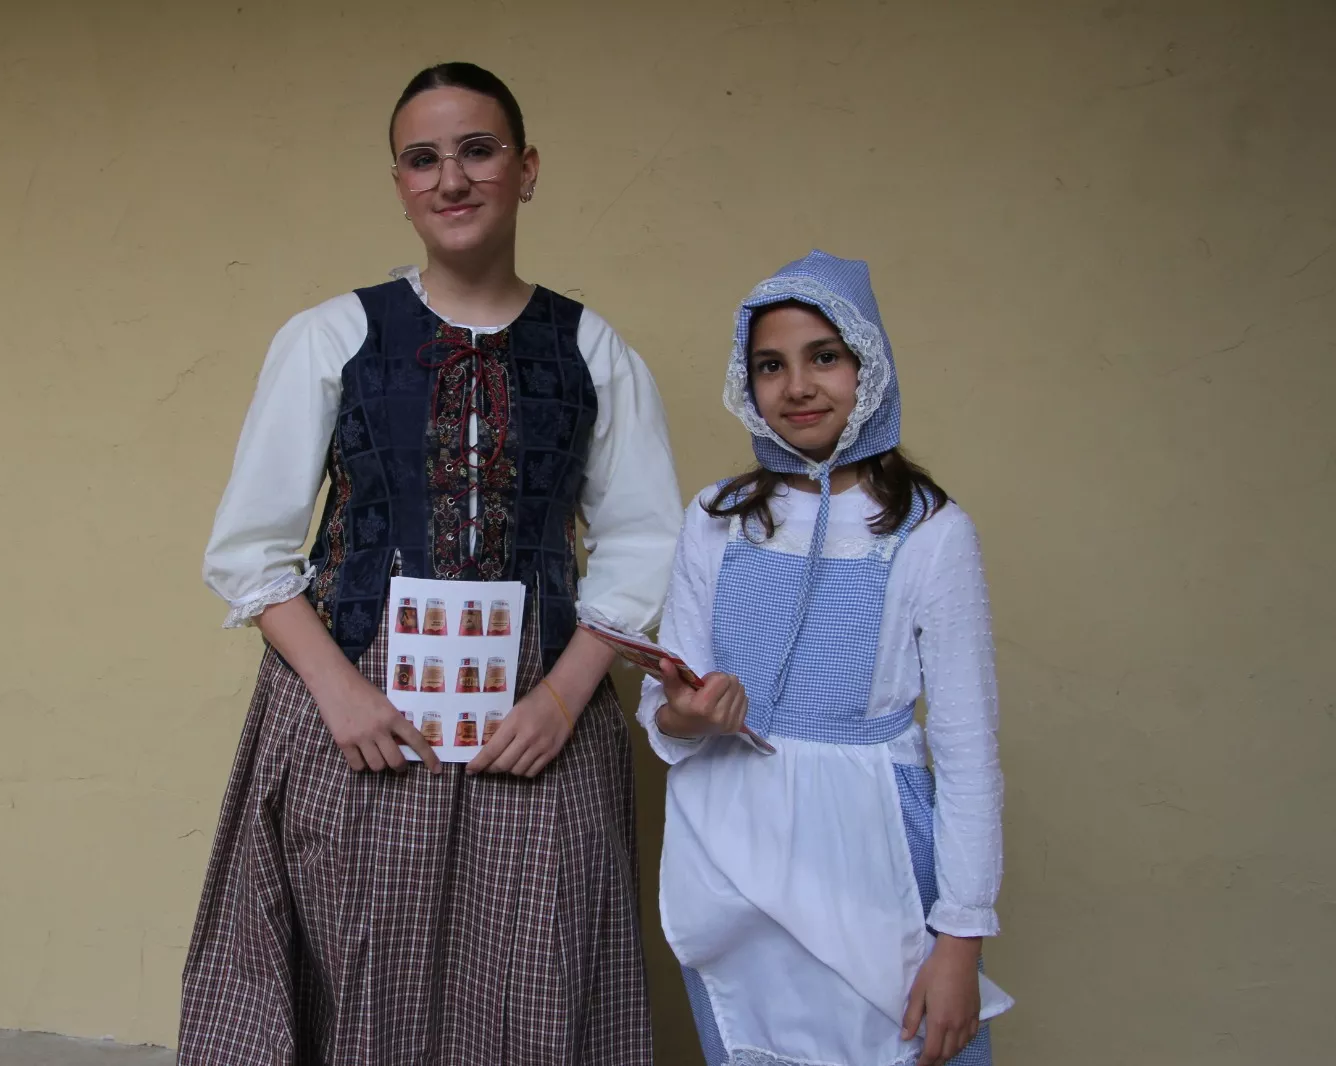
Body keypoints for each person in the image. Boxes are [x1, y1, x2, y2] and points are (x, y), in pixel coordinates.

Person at [179, 62, 682, 1066]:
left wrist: (564, 697)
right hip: (357, 707)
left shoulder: (593, 349)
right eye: (423, 159)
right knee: (358, 955)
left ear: (526, 169)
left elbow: (644, 540)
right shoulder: (332, 335)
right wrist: (341, 696)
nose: (451, 179)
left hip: (541, 709)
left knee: (537, 957)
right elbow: (251, 548)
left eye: (478, 150)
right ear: (401, 183)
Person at [638, 252, 1013, 1066]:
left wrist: (961, 938)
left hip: (870, 851)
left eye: (825, 357)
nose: (798, 386)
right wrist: (686, 715)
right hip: (730, 852)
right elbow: (664, 705)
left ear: (869, 367)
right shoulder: (716, 519)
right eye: (770, 365)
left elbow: (967, 751)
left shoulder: (930, 532)